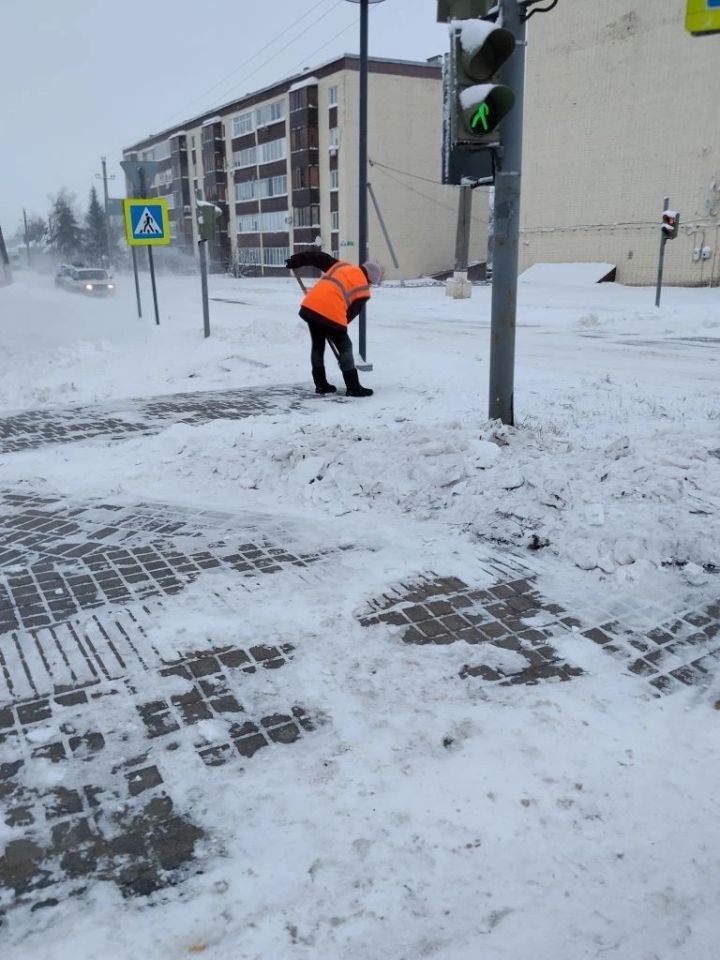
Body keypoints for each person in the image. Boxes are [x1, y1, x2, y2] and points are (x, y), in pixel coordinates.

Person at [285, 250, 381, 397]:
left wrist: (297, 260)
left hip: (311, 306)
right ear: (370, 280)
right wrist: (335, 329)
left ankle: (321, 385)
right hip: (331, 313)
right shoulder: (363, 289)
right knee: (345, 346)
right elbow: (349, 314)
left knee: (318, 345)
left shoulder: (341, 266)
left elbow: (319, 258)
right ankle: (353, 386)